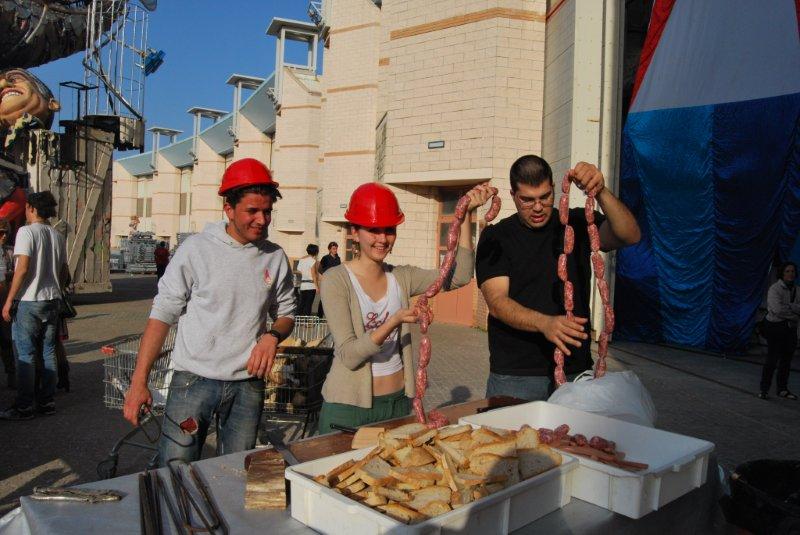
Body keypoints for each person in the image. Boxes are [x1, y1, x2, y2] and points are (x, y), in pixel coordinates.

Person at [122, 158, 297, 464]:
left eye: (267, 211)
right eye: (252, 211)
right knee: (176, 470)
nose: (262, 219)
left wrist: (272, 336)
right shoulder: (196, 250)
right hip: (194, 381)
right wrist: (139, 382)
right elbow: (162, 315)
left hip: (247, 384)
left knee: (236, 472)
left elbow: (287, 313)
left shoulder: (275, 257)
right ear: (228, 209)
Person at [316, 182, 495, 434]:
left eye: (389, 230)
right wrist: (393, 320)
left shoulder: (401, 277)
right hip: (349, 408)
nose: (382, 239)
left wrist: (464, 215)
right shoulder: (336, 280)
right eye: (373, 230)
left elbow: (459, 276)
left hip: (398, 403)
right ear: (355, 232)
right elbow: (349, 355)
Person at [476, 156, 641, 401]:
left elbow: (630, 235)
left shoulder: (577, 223)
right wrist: (545, 324)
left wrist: (600, 190)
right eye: (527, 200)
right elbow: (497, 303)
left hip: (576, 369)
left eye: (545, 197)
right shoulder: (496, 237)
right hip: (517, 373)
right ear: (513, 195)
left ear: (554, 188)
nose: (538, 207)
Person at [0, 192, 68, 419]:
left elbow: (22, 269)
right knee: (48, 351)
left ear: (30, 208)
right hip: (52, 300)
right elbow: (64, 271)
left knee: (26, 354)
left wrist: (9, 300)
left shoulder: (26, 232)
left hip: (30, 300)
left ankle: (24, 406)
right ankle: (47, 402)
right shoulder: (57, 236)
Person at [759, 262, 799, 400]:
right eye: (787, 271)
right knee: (772, 359)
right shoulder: (775, 289)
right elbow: (777, 310)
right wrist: (794, 313)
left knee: (786, 360)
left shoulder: (797, 290)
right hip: (775, 327)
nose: (791, 274)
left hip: (791, 328)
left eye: (793, 271)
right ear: (782, 273)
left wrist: (789, 306)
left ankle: (782, 389)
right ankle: (764, 389)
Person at [0, 218, 14, 388]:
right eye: (0, 233)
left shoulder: (11, 252)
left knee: (6, 341)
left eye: (5, 233)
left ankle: (12, 374)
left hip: (6, 303)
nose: (3, 236)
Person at [316, 241, 341, 318]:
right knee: (324, 298)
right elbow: (320, 269)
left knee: (334, 298)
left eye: (336, 249)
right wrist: (325, 276)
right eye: (333, 249)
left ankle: (331, 316)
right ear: (329, 249)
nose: (335, 250)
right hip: (327, 281)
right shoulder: (325, 258)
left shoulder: (338, 258)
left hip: (335, 281)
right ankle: (319, 316)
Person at [296, 244, 319, 316]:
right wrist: (317, 286)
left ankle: (298, 320)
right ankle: (306, 321)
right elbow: (313, 274)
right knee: (308, 304)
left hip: (303, 284)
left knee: (301, 303)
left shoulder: (301, 260)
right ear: (315, 252)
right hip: (311, 285)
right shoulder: (313, 260)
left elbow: (299, 270)